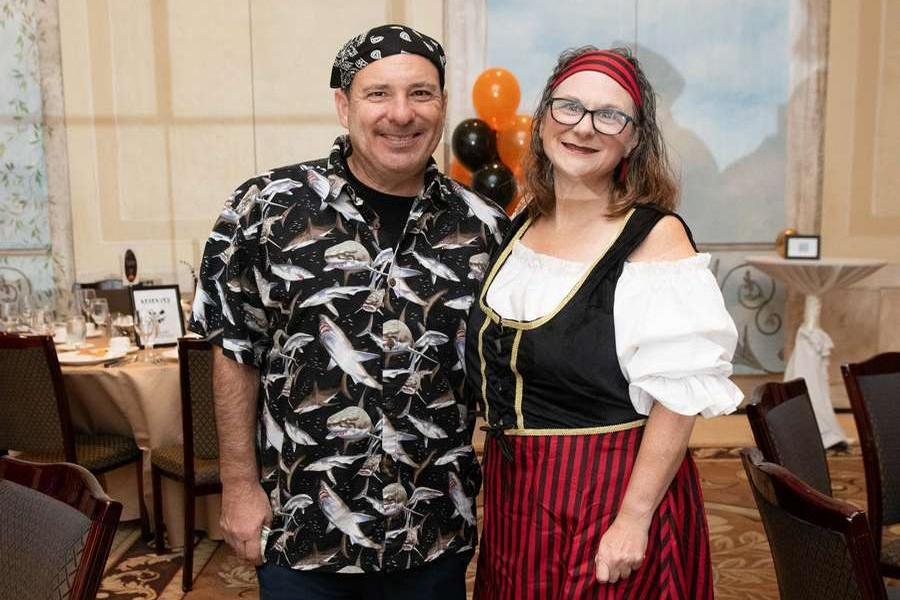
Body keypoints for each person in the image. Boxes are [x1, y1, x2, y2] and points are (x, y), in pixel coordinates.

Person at [190, 24, 508, 600]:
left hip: (432, 533)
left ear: (441, 105)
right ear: (344, 105)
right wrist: (237, 486)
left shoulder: (485, 227)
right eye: (378, 93)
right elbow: (235, 353)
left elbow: (505, 373)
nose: (401, 114)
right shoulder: (266, 209)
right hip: (304, 531)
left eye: (420, 93)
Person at [465, 47, 743, 598]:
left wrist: (634, 518)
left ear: (635, 138)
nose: (584, 127)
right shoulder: (523, 223)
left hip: (606, 499)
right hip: (517, 503)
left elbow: (677, 399)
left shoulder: (655, 238)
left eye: (609, 115)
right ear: (544, 116)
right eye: (568, 107)